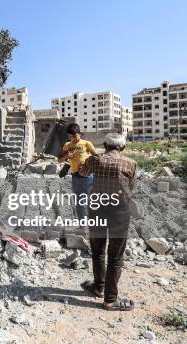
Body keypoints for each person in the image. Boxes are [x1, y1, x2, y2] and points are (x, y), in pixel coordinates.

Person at [79, 132, 136, 311]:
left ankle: (99, 287)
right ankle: (110, 299)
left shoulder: (95, 160)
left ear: (104, 146)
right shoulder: (130, 163)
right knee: (116, 256)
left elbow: (82, 172)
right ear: (123, 148)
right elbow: (131, 186)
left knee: (97, 251)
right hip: (120, 211)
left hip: (97, 208)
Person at [57, 123, 97, 221]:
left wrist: (88, 163)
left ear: (80, 134)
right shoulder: (67, 145)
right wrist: (66, 156)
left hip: (87, 176)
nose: (72, 138)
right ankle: (82, 223)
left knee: (88, 200)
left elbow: (96, 157)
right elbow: (59, 160)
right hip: (75, 176)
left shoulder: (87, 143)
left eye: (74, 136)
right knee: (79, 201)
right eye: (70, 136)